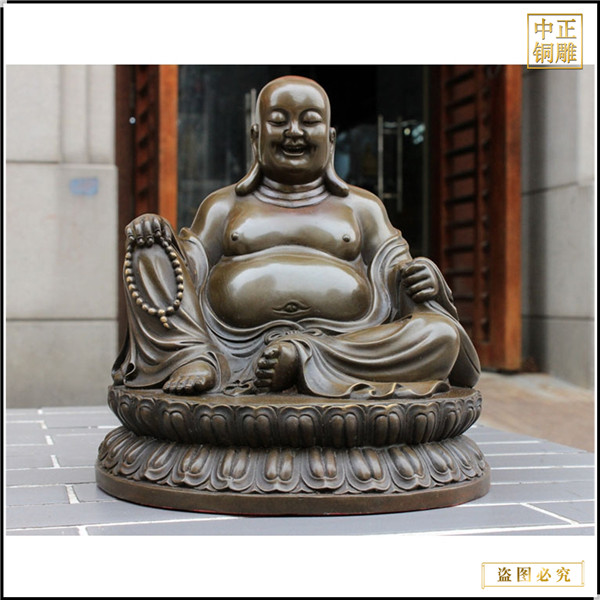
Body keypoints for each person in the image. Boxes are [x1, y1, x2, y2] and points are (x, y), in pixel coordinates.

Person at [112, 76, 480, 399]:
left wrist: (425, 276)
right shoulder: (223, 206)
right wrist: (157, 237)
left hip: (347, 342)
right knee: (149, 250)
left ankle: (302, 357)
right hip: (229, 343)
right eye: (278, 121)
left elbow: (399, 270)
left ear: (330, 138)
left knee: (441, 336)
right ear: (256, 136)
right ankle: (191, 356)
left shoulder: (362, 207)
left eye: (309, 121)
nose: (294, 132)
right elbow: (187, 268)